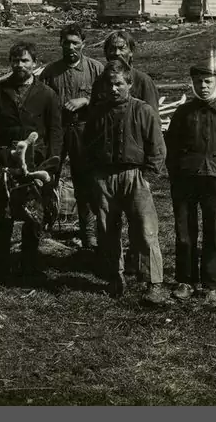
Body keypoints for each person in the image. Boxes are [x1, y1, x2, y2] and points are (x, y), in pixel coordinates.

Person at [84, 60, 167, 305]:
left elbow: (157, 148)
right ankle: (115, 277)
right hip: (104, 178)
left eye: (119, 83)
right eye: (109, 84)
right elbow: (87, 146)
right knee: (108, 229)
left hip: (135, 176)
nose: (114, 89)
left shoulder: (143, 111)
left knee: (145, 229)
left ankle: (154, 282)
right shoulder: (97, 112)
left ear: (129, 84)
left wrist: (148, 177)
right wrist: (94, 176)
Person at [0, 41, 62, 282]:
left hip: (36, 162)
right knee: (3, 213)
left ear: (34, 64)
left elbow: (56, 132)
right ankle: (2, 262)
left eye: (25, 61)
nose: (20, 65)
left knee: (33, 212)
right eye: (15, 61)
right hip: (6, 159)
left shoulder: (47, 94)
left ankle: (29, 263)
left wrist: (53, 164)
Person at [165, 58, 216, 303]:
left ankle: (211, 284)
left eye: (208, 82)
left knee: (213, 231)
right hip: (185, 181)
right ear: (193, 84)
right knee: (184, 232)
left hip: (215, 181)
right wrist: (176, 173)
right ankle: (185, 281)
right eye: (198, 82)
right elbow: (171, 147)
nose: (203, 86)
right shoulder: (183, 112)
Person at [40, 24, 106, 253]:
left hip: (84, 131)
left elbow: (108, 99)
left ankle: (88, 233)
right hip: (57, 132)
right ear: (60, 44)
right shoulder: (50, 72)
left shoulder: (96, 69)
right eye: (66, 42)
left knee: (85, 181)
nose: (70, 47)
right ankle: (44, 228)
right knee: (49, 178)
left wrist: (86, 100)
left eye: (75, 43)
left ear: (83, 44)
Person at [95, 31, 160, 112]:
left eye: (121, 48)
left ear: (131, 52)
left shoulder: (143, 81)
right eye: (112, 49)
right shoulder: (100, 81)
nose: (116, 53)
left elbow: (152, 118)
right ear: (106, 52)